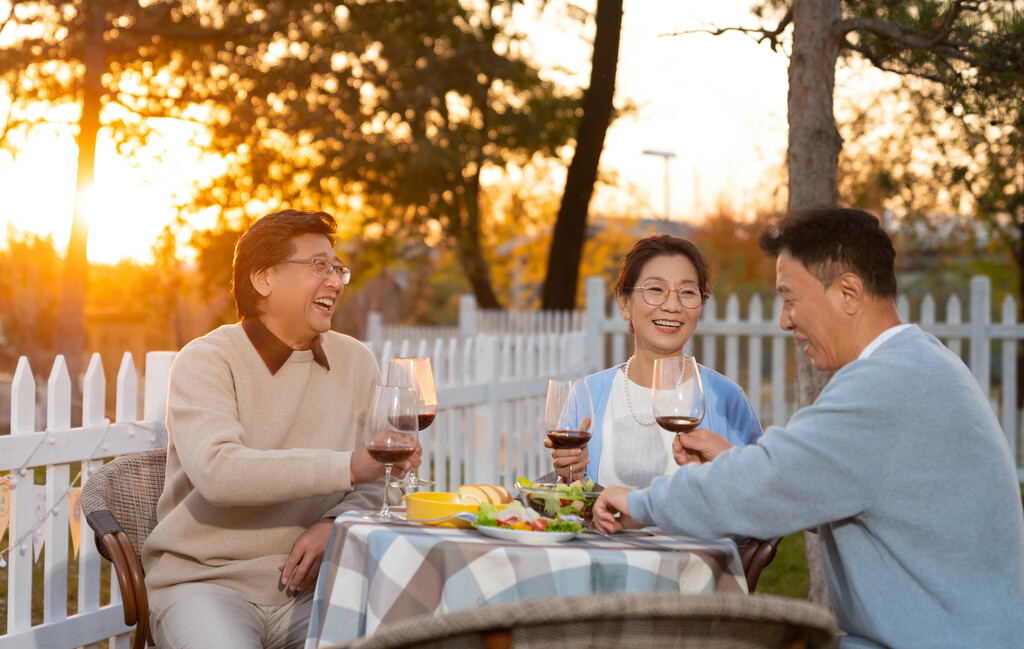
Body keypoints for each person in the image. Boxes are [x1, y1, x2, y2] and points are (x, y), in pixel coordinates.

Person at [593, 207, 1024, 648]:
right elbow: (815, 482)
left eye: (790, 297)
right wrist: (734, 461)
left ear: (849, 293)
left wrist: (637, 501)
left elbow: (760, 488)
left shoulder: (885, 385)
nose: (784, 319)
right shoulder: (920, 363)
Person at [142, 209, 420, 649]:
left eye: (337, 268)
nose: (335, 281)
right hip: (207, 583)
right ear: (263, 279)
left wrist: (337, 521)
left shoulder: (356, 362)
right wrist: (349, 466)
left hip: (320, 587)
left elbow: (381, 481)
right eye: (318, 266)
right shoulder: (206, 361)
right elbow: (220, 472)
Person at [548, 234, 763, 487]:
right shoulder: (586, 395)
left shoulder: (727, 398)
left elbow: (759, 499)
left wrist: (726, 476)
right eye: (656, 289)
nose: (672, 305)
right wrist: (572, 474)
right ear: (624, 302)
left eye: (688, 292)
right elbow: (566, 504)